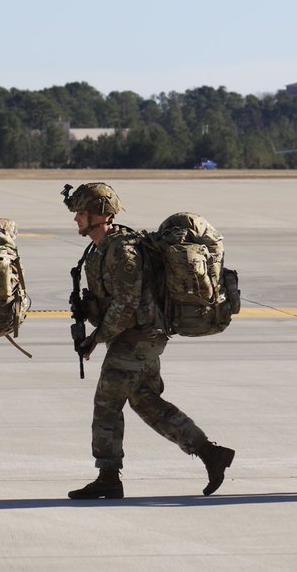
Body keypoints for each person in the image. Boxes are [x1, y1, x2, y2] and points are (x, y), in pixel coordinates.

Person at [63, 182, 235, 499]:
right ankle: (211, 454)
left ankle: (108, 476)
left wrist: (96, 338)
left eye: (81, 213)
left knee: (107, 402)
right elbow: (114, 300)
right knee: (146, 402)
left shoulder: (122, 251)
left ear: (99, 216)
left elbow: (127, 305)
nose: (76, 219)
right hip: (137, 336)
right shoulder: (100, 250)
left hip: (141, 336)